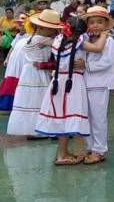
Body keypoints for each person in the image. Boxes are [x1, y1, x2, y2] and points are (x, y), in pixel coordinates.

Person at [34, 16, 109, 165]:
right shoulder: (79, 43)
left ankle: (62, 153)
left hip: (58, 82)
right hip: (73, 82)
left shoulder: (58, 40)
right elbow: (98, 48)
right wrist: (105, 34)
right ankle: (73, 153)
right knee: (72, 117)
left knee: (62, 118)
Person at [7, 10, 62, 138]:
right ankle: (39, 129)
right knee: (39, 100)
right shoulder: (41, 39)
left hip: (29, 72)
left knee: (29, 100)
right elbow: (60, 46)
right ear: (44, 28)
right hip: (38, 72)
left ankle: (32, 129)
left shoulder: (32, 37)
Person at [80, 6, 114, 164]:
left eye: (99, 22)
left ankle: (99, 149)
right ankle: (90, 146)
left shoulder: (109, 41)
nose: (95, 25)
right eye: (92, 22)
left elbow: (107, 62)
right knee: (87, 116)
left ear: (106, 25)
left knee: (98, 118)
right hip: (86, 83)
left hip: (100, 84)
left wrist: (86, 66)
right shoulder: (87, 40)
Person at [0, 17, 28, 112]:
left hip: (23, 60)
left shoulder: (29, 36)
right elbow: (12, 47)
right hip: (14, 61)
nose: (22, 28)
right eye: (20, 26)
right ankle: (7, 104)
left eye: (24, 26)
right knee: (11, 79)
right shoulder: (18, 36)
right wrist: (7, 58)